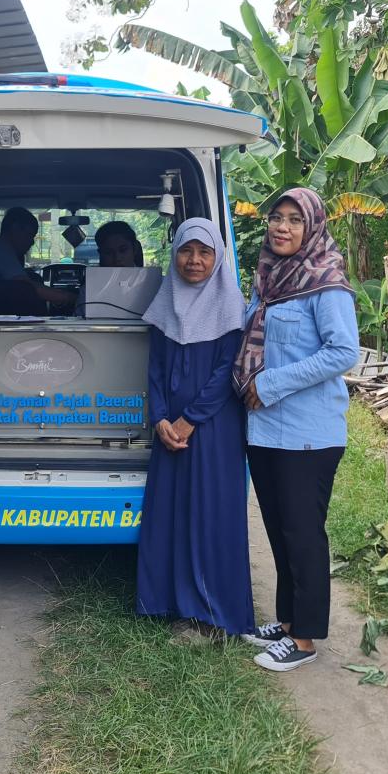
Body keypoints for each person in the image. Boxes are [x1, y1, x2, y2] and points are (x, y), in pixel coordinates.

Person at [234, 187, 359, 673]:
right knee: (279, 530)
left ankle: (304, 639)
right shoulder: (268, 279)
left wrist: (271, 384)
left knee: (303, 534)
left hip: (308, 433)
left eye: (294, 219)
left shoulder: (326, 283)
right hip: (265, 429)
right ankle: (287, 621)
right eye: (276, 217)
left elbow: (342, 352)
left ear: (313, 227)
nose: (282, 227)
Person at [136, 219, 252, 635]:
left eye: (205, 252)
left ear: (218, 257)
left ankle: (211, 613)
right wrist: (160, 419)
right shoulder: (166, 302)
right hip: (170, 429)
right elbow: (155, 368)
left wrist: (189, 420)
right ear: (175, 254)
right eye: (186, 250)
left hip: (213, 428)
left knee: (210, 513)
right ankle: (167, 602)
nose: (194, 260)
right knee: (171, 513)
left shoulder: (230, 305)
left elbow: (226, 373)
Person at [0, 206, 77, 309]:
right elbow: (27, 287)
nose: (32, 242)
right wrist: (68, 297)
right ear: (15, 228)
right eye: (30, 235)